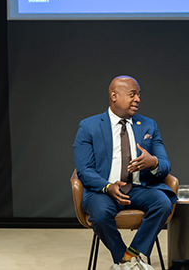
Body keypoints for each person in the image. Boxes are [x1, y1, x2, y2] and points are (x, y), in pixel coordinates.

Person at [73, 76, 176, 270]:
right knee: (101, 214)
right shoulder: (89, 126)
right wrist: (107, 186)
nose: (138, 99)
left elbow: (165, 164)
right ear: (114, 96)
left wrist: (152, 162)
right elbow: (84, 169)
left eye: (138, 95)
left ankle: (128, 259)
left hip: (139, 188)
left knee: (163, 203)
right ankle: (127, 261)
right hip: (102, 190)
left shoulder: (148, 126)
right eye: (132, 94)